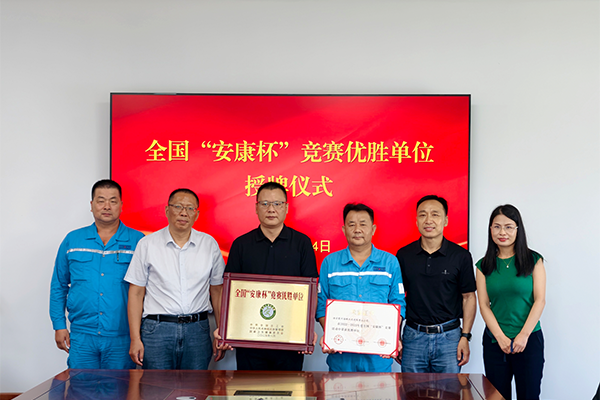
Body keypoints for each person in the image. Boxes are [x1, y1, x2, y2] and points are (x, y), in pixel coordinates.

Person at [220, 181, 318, 371]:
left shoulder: (302, 243)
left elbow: (311, 290)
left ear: (286, 208)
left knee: (289, 386)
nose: (271, 209)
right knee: (249, 386)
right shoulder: (241, 244)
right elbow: (230, 292)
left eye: (277, 204)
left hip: (290, 338)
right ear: (256, 208)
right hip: (250, 338)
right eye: (265, 204)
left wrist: (307, 329)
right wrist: (226, 328)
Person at [125, 188, 225, 370]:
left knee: (196, 386)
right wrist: (135, 339)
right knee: (156, 387)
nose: (183, 213)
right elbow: (136, 293)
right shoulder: (147, 244)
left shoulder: (209, 244)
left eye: (190, 208)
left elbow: (217, 291)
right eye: (178, 206)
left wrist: (222, 333)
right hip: (157, 331)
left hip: (198, 331)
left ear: (196, 214)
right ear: (167, 210)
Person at [49, 179, 145, 369]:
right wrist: (59, 325)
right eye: (101, 201)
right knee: (81, 384)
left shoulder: (138, 241)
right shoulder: (73, 240)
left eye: (113, 201)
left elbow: (148, 289)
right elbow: (59, 285)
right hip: (82, 335)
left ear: (121, 205)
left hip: (123, 336)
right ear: (92, 205)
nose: (107, 206)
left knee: (120, 386)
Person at [316, 203, 406, 372]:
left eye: (363, 224)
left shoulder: (390, 262)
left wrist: (392, 336)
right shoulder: (330, 262)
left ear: (373, 229)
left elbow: (398, 302)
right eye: (351, 224)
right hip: (341, 357)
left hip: (378, 357)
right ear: (344, 230)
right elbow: (321, 304)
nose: (357, 229)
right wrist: (330, 334)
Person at [395, 195, 477, 373]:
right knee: (411, 388)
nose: (428, 220)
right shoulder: (404, 255)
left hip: (450, 338)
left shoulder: (461, 256)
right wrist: (395, 337)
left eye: (435, 214)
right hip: (413, 337)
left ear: (445, 220)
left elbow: (469, 297)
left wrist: (465, 336)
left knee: (449, 388)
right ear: (416, 220)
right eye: (423, 215)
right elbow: (397, 299)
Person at [476, 204, 546, 400]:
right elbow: (484, 305)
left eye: (508, 227)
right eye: (497, 227)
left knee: (529, 395)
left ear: (517, 229)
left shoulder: (534, 260)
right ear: (490, 229)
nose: (502, 232)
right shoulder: (483, 265)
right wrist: (500, 337)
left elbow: (540, 300)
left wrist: (523, 336)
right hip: (495, 342)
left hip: (529, 340)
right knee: (496, 397)